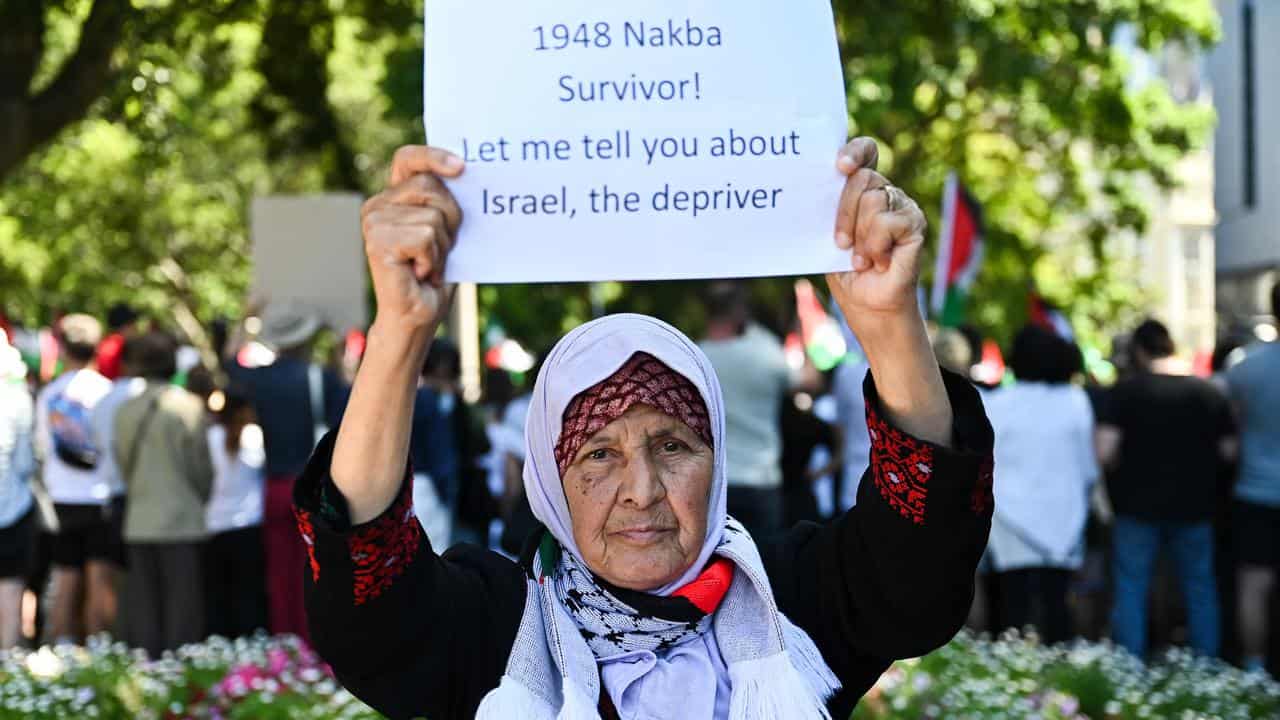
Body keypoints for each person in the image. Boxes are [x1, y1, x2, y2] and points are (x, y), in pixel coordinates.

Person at [291, 140, 994, 720]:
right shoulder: (493, 629)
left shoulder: (791, 603)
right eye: (598, 453)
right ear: (550, 478)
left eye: (673, 445)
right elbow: (368, 595)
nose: (641, 491)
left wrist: (889, 320)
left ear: (715, 459)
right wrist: (401, 333)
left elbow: (920, 561)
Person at [1097, 319, 1236, 658]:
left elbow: (1104, 450)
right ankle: (1206, 668)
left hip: (1136, 506)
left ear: (1140, 352)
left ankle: (1130, 667)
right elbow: (1230, 451)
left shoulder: (1126, 392)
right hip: (1196, 506)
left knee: (1132, 586)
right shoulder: (1208, 393)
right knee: (1199, 587)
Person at [224, 301, 349, 639]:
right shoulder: (319, 378)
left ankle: (286, 644)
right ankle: (315, 643)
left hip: (275, 484)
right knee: (316, 571)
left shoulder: (261, 379)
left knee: (279, 574)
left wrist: (246, 317)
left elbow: (228, 364)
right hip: (313, 485)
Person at [984, 326, 1098, 644]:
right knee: (1057, 602)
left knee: (1012, 603)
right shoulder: (1076, 401)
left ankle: (1011, 674)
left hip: (1008, 517)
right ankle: (1061, 676)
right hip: (1063, 512)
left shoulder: (997, 402)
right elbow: (1087, 464)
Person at [113, 330, 214, 657]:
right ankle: (182, 680)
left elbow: (123, 465)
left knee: (145, 608)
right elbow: (201, 470)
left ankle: (147, 681)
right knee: (183, 609)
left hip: (140, 519)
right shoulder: (189, 407)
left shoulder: (126, 410)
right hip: (182, 517)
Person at [34, 314, 120, 643]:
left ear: (64, 349)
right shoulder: (107, 392)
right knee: (100, 577)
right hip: (101, 496)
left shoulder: (50, 394)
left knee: (65, 574)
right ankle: (99, 645)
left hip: (62, 497)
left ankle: (61, 644)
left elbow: (42, 445)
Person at [698, 281, 792, 537]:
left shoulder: (698, 359)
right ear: (741, 311)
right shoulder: (766, 352)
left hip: (717, 484)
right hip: (762, 480)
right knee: (769, 565)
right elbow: (810, 382)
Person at [1223, 281, 1280, 673]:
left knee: (1254, 584)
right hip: (1256, 490)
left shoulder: (1245, 369)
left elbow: (1230, 436)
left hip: (1256, 491)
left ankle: (1255, 664)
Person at [204, 384, 268, 639]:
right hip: (249, 524)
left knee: (219, 596)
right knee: (248, 593)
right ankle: (251, 642)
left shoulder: (211, 437)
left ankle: (221, 645)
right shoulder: (254, 435)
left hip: (216, 524)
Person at [0, 332, 37, 649]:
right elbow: (26, 463)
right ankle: (8, 667)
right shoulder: (18, 401)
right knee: (10, 593)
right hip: (12, 507)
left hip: (12, 506)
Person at [96, 303, 139, 381]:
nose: (136, 329)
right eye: (134, 324)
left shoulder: (102, 343)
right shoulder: (122, 346)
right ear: (127, 325)